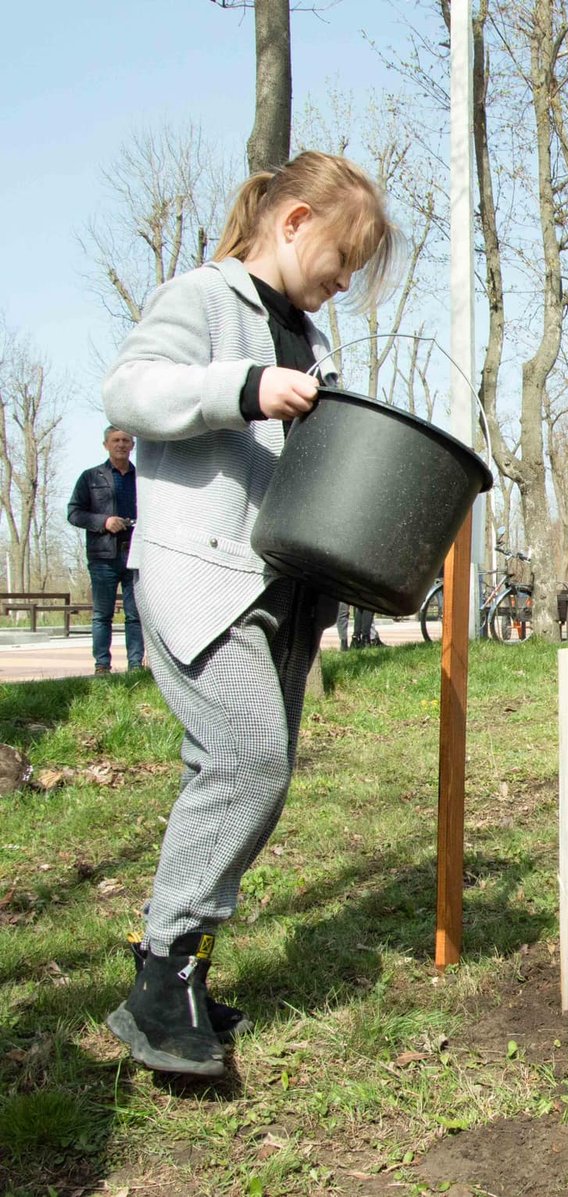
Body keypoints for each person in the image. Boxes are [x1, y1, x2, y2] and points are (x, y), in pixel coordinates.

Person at [101, 150, 398, 1078]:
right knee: (246, 758)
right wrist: (243, 387)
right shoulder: (203, 299)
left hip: (282, 591)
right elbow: (129, 391)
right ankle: (159, 977)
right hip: (203, 575)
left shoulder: (312, 341)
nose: (344, 282)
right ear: (296, 220)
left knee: (253, 777)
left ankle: (179, 967)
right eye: (342, 259)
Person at [67, 426, 144, 674]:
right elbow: (74, 513)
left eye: (125, 440)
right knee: (102, 614)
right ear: (106, 445)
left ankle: (135, 665)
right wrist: (104, 522)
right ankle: (102, 666)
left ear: (132, 445)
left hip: (136, 555)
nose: (121, 444)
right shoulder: (90, 478)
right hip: (103, 557)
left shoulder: (144, 479)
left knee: (135, 615)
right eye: (115, 440)